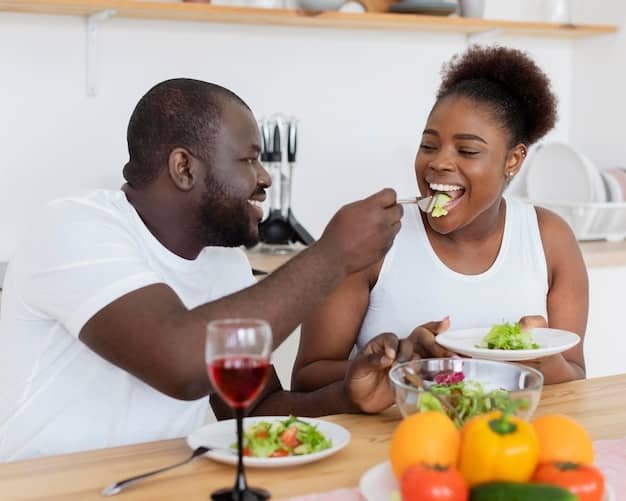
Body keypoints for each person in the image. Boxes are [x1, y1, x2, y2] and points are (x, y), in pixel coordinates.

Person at [0, 78, 408, 462]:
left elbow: (254, 412)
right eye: (249, 159)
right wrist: (333, 255)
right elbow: (180, 366)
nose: (265, 178)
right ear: (184, 168)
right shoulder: (73, 228)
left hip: (161, 485)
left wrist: (348, 396)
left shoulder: (224, 262)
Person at [292, 45, 588, 409]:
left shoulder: (550, 239)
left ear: (513, 160)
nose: (438, 163)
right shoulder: (372, 236)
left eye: (467, 151)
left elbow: (575, 377)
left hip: (510, 442)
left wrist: (538, 357)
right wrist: (402, 366)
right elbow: (306, 377)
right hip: (397, 443)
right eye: (429, 145)